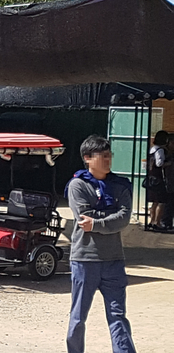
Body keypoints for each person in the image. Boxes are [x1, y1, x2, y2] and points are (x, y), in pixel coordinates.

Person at [64, 135, 136, 353]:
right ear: (87, 158)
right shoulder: (78, 185)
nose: (108, 160)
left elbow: (123, 219)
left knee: (117, 315)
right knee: (78, 316)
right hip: (85, 259)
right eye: (102, 156)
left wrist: (97, 222)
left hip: (114, 260)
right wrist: (107, 217)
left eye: (109, 155)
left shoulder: (120, 185)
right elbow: (83, 217)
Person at [146, 130, 168, 229]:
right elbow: (159, 163)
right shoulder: (160, 150)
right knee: (161, 201)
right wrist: (167, 164)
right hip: (158, 178)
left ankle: (151, 221)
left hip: (151, 177)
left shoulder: (152, 149)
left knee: (154, 201)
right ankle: (157, 223)